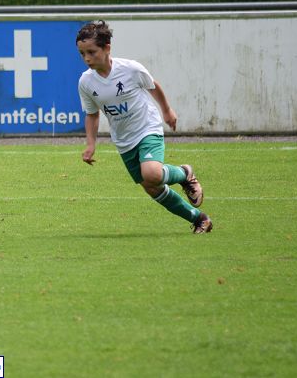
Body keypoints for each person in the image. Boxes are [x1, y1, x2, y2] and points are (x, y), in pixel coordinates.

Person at [76, 20, 213, 234]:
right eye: (82, 54)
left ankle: (184, 173)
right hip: (124, 140)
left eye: (91, 52)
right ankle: (199, 219)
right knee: (152, 187)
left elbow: (153, 86)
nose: (87, 58)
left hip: (147, 127)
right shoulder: (86, 82)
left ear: (107, 48)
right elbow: (92, 114)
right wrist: (91, 144)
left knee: (152, 174)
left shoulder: (130, 69)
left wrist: (167, 110)